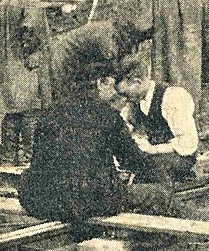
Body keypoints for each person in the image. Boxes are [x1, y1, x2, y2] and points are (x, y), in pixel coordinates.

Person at [17, 67, 168, 230]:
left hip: (42, 202)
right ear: (101, 83)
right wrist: (160, 178)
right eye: (114, 85)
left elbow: (39, 163)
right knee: (158, 193)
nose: (119, 94)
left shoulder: (50, 113)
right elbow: (134, 161)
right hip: (92, 202)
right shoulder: (109, 116)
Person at [0, 0, 53, 164]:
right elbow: (28, 30)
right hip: (25, 66)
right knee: (31, 112)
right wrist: (31, 54)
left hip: (8, 64)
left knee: (13, 113)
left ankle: (8, 157)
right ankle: (32, 159)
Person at [116, 53, 200, 185]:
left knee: (152, 170)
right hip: (156, 153)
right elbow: (124, 124)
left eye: (126, 94)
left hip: (179, 155)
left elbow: (188, 143)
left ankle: (167, 198)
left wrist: (151, 149)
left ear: (137, 82)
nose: (125, 99)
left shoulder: (172, 97)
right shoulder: (134, 101)